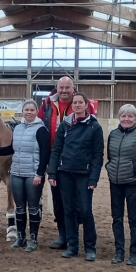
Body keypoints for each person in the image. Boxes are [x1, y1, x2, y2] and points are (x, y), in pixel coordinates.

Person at [47, 92, 104, 261]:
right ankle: (72, 246)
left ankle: (90, 248)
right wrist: (52, 172)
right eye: (75, 103)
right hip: (65, 174)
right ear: (72, 105)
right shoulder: (65, 126)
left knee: (86, 211)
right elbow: (56, 150)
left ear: (87, 105)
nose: (77, 105)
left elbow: (98, 155)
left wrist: (94, 178)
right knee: (68, 211)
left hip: (84, 175)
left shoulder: (95, 127)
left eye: (81, 102)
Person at [0, 99, 50, 252]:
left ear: (36, 112)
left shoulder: (41, 130)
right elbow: (11, 149)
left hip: (33, 175)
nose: (29, 112)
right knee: (20, 207)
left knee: (33, 207)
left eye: (32, 110)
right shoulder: (17, 129)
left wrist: (39, 173)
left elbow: (45, 154)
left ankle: (33, 239)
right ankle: (21, 237)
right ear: (22, 112)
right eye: (26, 110)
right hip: (17, 173)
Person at [105, 104, 136, 266]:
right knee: (116, 218)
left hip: (134, 183)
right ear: (119, 117)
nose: (127, 119)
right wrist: (110, 171)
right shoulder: (113, 134)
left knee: (134, 219)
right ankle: (119, 251)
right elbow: (110, 157)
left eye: (130, 116)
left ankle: (135, 253)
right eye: (124, 116)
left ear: (135, 118)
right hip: (116, 183)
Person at [37, 76, 76, 250]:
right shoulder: (46, 104)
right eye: (61, 88)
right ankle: (63, 235)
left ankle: (73, 235)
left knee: (74, 200)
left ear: (73, 89)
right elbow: (37, 125)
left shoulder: (81, 103)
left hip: (75, 159)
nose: (64, 91)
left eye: (67, 88)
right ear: (57, 88)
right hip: (53, 158)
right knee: (58, 198)